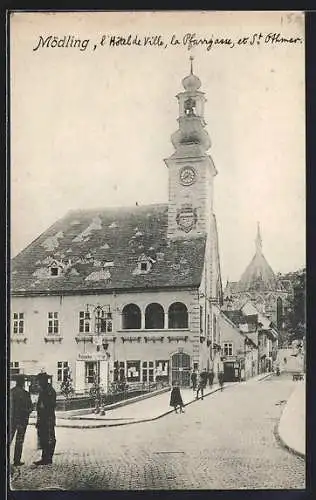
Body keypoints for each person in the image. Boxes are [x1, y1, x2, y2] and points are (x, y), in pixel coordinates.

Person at [33, 373, 57, 465]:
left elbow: (50, 406)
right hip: (43, 418)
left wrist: (42, 408)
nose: (38, 383)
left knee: (49, 438)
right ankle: (45, 457)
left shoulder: (49, 391)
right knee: (43, 437)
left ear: (44, 381)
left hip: (48, 419)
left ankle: (48, 458)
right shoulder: (44, 390)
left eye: (39, 381)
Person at [10, 374, 33, 466]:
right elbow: (30, 408)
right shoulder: (25, 394)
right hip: (22, 421)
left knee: (8, 439)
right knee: (19, 440)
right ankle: (16, 460)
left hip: (11, 420)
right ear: (23, 383)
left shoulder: (10, 392)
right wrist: (26, 412)